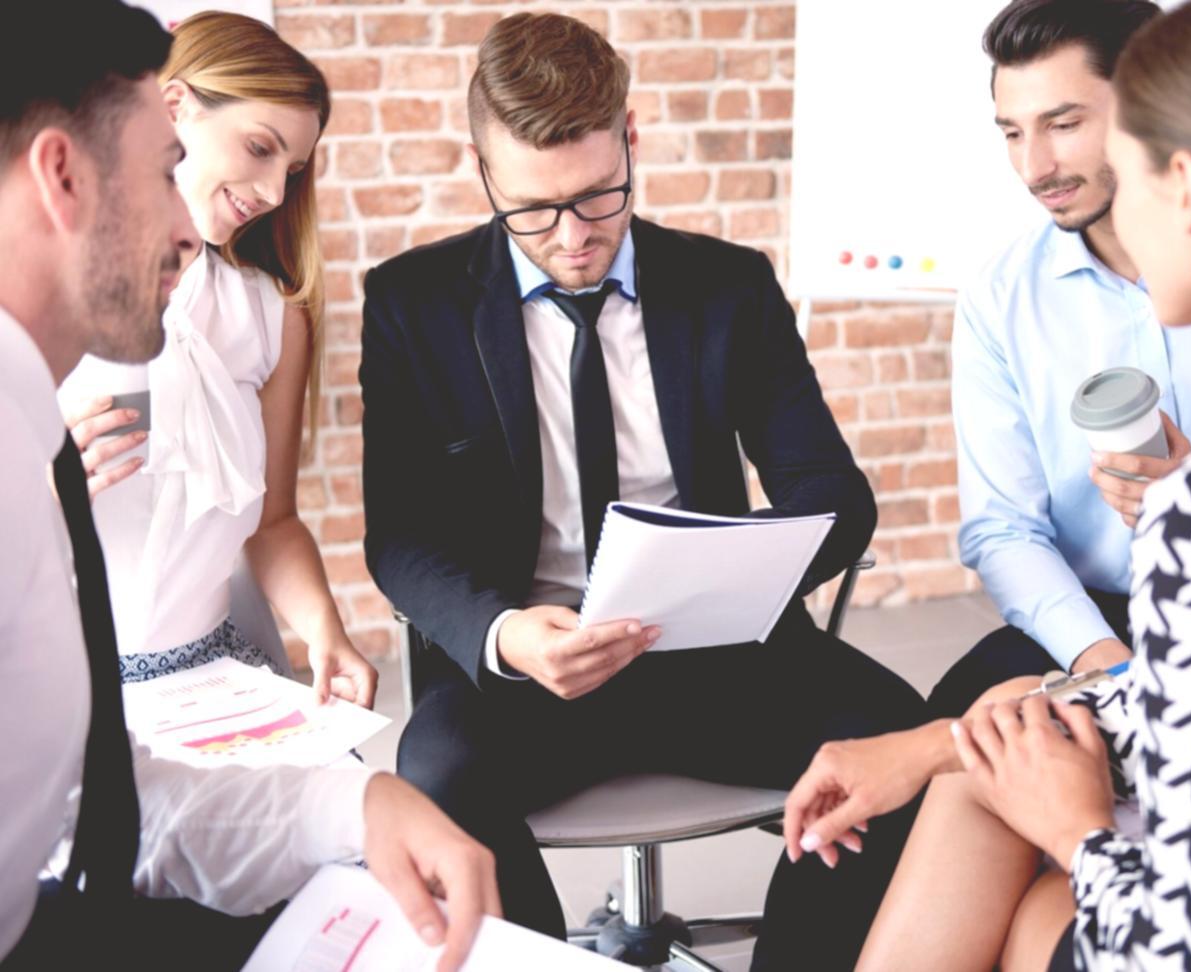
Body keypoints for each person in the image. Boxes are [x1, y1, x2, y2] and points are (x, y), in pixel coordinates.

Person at [802, 0, 1191, 969]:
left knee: (1028, 873)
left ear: (1182, 187)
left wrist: (1076, 834)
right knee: (1014, 836)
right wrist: (946, 742)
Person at [359, 12, 926, 968]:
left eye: (597, 197)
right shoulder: (411, 305)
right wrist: (504, 633)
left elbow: (832, 492)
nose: (572, 237)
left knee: (904, 743)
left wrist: (732, 566)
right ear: (480, 168)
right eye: (532, 210)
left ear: (631, 138)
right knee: (436, 774)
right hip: (531, 669)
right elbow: (402, 538)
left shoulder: (728, 287)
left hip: (716, 653)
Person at [0, 4, 499, 969]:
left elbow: (89, 793)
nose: (198, 223)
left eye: (293, 168)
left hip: (180, 725)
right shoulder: (32, 460)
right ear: (65, 176)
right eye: (161, 171)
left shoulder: (256, 315)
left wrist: (351, 798)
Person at [930, 0, 1191, 721]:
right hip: (1093, 619)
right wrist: (1103, 663)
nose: (1033, 167)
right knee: (939, 752)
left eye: (1063, 124)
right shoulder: (1002, 294)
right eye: (1012, 133)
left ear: (1150, 104)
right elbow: (1004, 528)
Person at [55, 11, 376, 706]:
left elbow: (275, 520)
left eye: (293, 170)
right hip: (57, 690)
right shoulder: (45, 294)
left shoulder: (270, 317)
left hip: (213, 682)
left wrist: (326, 632)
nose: (273, 193)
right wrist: (43, 496)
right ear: (175, 109)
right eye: (259, 148)